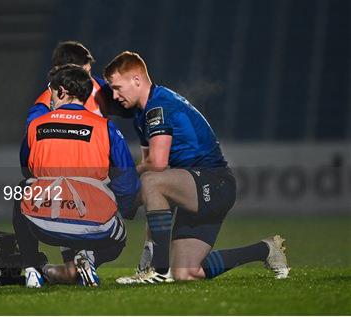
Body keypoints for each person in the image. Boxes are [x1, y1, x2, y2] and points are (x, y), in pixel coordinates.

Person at [103, 52, 289, 284]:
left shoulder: (158, 107)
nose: (114, 95)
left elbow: (157, 165)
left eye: (118, 87)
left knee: (151, 182)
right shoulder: (143, 114)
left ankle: (158, 271)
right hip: (196, 188)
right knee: (187, 273)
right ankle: (265, 250)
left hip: (213, 183)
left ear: (137, 80)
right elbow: (155, 170)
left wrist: (120, 184)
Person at [15, 64, 139, 287]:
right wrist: (124, 208)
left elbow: (26, 169)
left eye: (51, 92)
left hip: (41, 225)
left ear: (61, 92)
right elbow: (128, 183)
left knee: (22, 188)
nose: (50, 99)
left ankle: (32, 268)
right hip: (93, 226)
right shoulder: (105, 128)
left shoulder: (36, 125)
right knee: (119, 238)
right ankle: (89, 259)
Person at [26, 40, 131, 126]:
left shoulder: (99, 87)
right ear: (64, 71)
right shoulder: (44, 105)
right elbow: (33, 139)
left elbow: (132, 108)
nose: (88, 78)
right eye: (83, 73)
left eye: (89, 71)